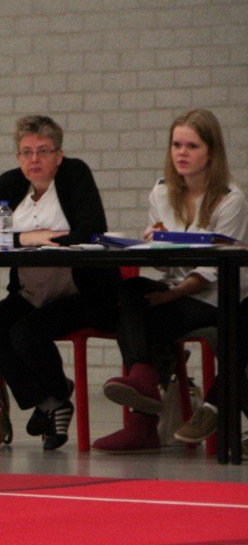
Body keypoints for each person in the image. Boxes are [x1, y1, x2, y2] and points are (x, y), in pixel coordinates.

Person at [95, 109, 248, 451]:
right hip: (178, 287)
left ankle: (143, 418)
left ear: (211, 152)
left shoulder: (230, 199)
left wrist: (171, 295)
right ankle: (144, 381)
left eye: (192, 146)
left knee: (146, 319)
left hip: (217, 296)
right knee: (129, 292)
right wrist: (153, 245)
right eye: (176, 145)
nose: (182, 153)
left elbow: (211, 271)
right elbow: (165, 264)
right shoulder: (162, 192)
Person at [0, 115, 119, 450]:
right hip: (32, 292)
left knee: (26, 332)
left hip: (82, 293)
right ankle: (51, 400)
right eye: (26, 152)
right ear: (18, 157)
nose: (34, 159)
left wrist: (41, 239)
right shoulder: (10, 184)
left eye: (42, 151)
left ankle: (51, 400)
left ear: (58, 155)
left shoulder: (74, 174)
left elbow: (92, 229)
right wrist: (28, 238)